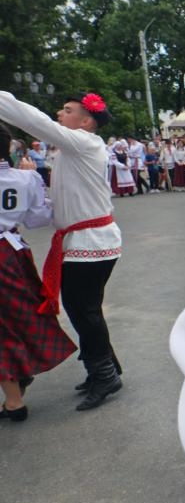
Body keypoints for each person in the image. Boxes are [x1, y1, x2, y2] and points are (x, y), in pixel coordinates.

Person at [0, 92, 124, 411]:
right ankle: (104, 368)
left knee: (84, 309)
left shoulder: (84, 142)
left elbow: (34, 120)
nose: (59, 113)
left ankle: (105, 374)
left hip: (91, 241)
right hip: (83, 239)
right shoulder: (73, 149)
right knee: (84, 308)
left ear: (86, 122)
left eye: (67, 111)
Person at [0, 124, 77, 422]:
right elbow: (37, 218)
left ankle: (14, 399)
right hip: (13, 251)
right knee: (19, 316)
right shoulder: (25, 177)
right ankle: (17, 382)